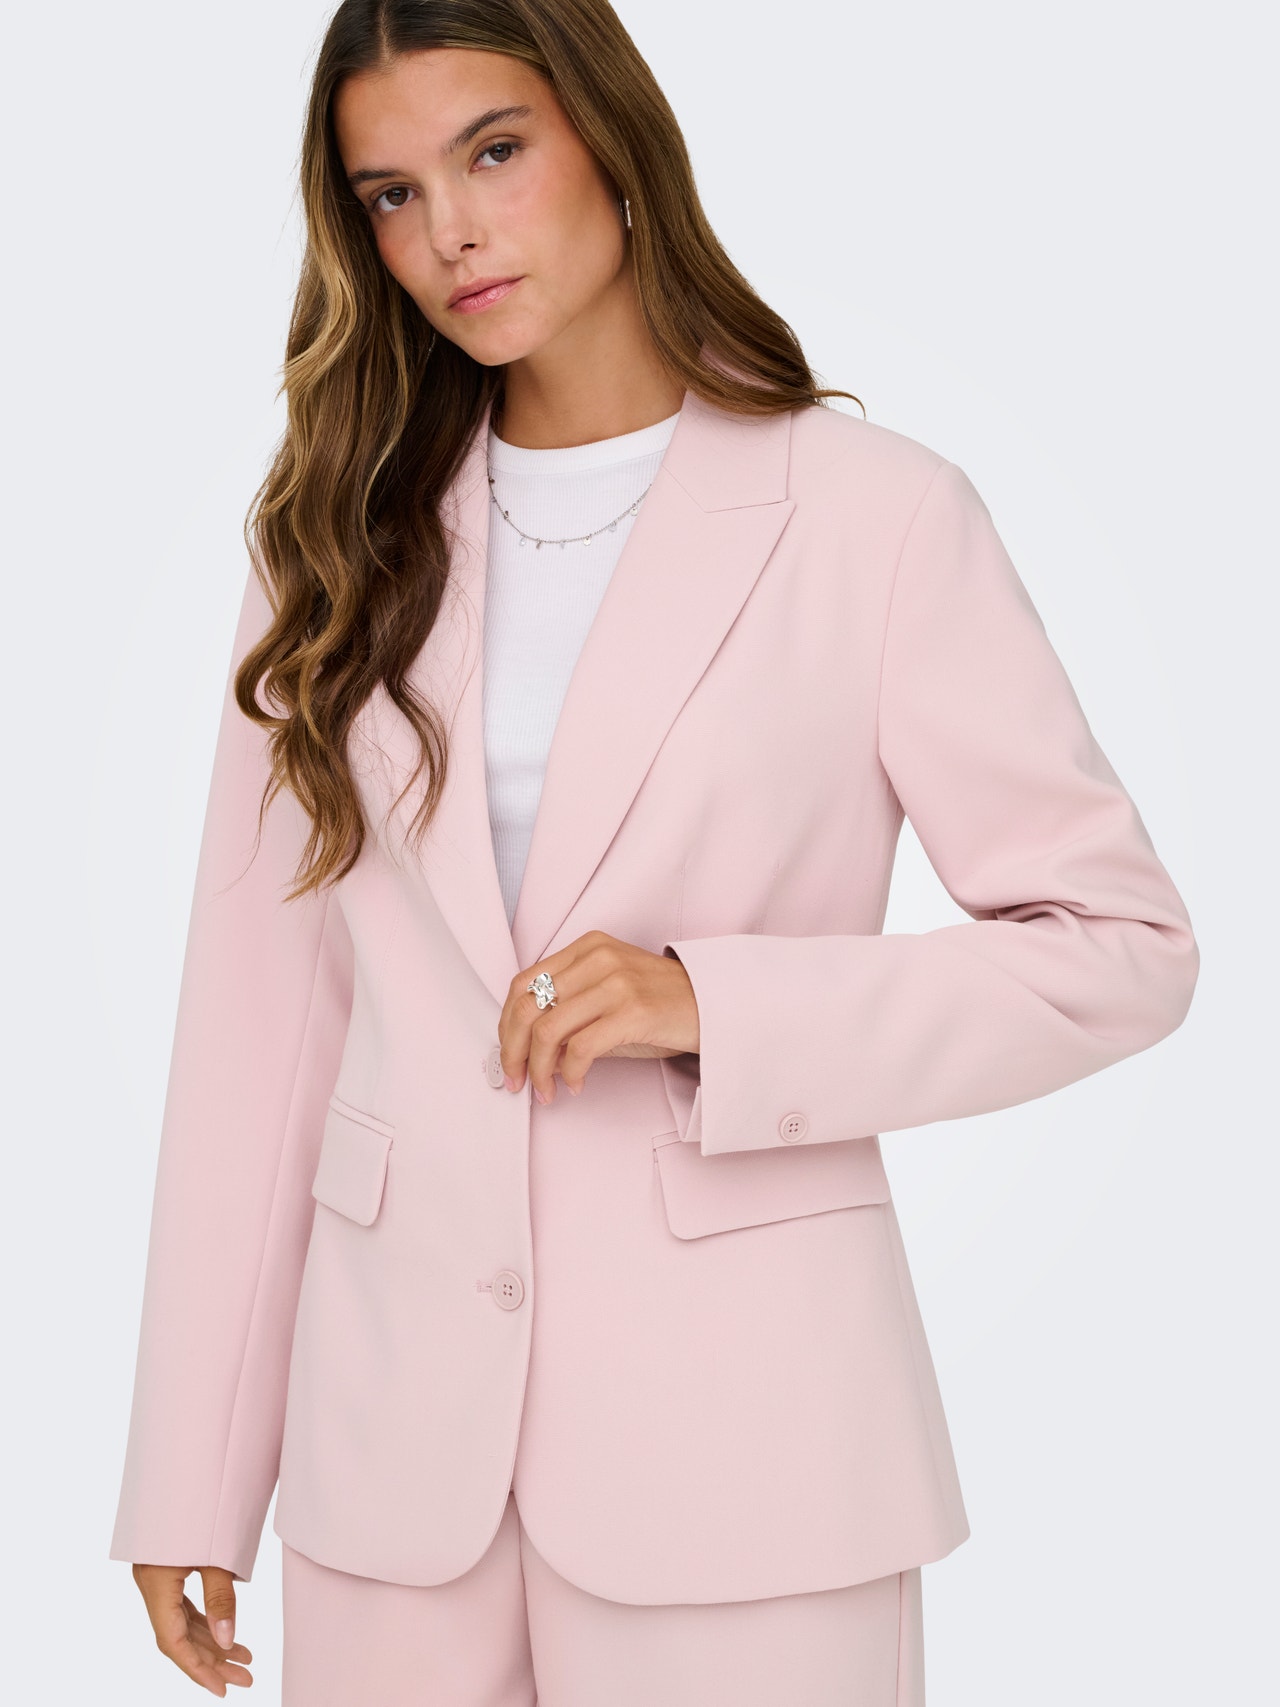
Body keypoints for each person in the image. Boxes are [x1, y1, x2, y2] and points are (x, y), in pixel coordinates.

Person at [108, 1, 1200, 1702]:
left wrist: (712, 1004)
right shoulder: (332, 546)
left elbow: (1119, 949)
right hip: (391, 1471)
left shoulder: (874, 517)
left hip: (752, 1460)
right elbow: (257, 1035)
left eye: (494, 151)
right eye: (391, 195)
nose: (450, 231)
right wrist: (191, 1469)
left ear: (612, 140)